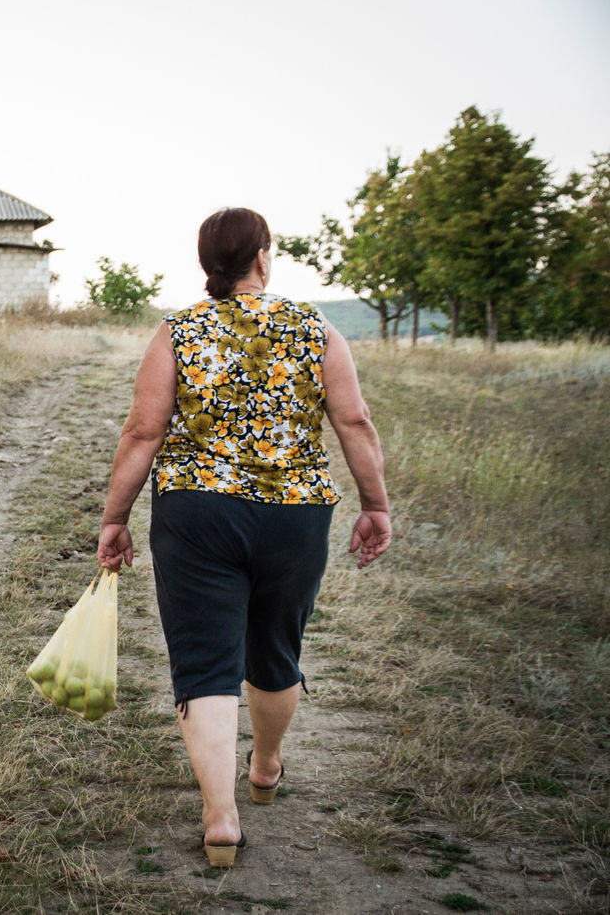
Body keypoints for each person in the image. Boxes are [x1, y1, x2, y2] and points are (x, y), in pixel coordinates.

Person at [95, 207, 391, 868]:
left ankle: (220, 817)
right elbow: (354, 421)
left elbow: (143, 431)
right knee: (275, 647)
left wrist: (115, 517)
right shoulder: (314, 329)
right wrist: (375, 504)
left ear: (209, 264)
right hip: (294, 514)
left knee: (205, 663)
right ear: (262, 257)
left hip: (196, 513)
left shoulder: (179, 332)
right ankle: (265, 765)